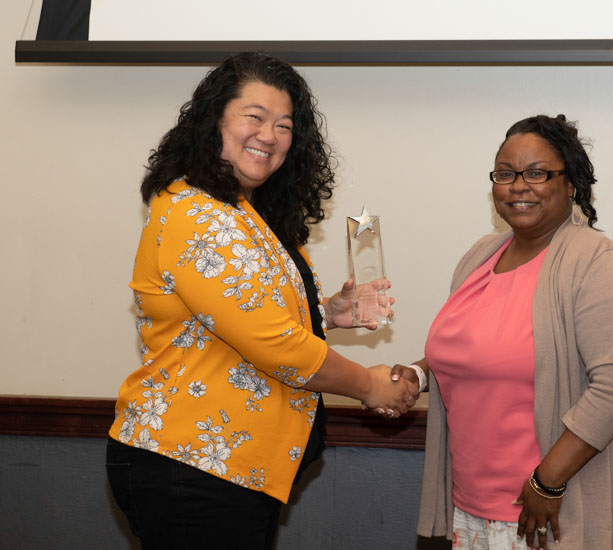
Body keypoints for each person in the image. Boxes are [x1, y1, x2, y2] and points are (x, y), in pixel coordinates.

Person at [105, 52, 418, 549]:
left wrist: (326, 314)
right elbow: (276, 346)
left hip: (230, 466)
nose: (269, 135)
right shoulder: (198, 213)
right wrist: (369, 386)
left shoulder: (245, 212)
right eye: (254, 116)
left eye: (285, 125)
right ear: (215, 121)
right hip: (192, 465)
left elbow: (247, 319)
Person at [392, 115, 613, 549]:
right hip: (470, 508)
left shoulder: (600, 263)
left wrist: (547, 483)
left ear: (571, 184)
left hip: (550, 510)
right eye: (506, 174)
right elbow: (472, 355)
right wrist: (416, 376)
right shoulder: (480, 256)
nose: (518, 186)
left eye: (537, 173)